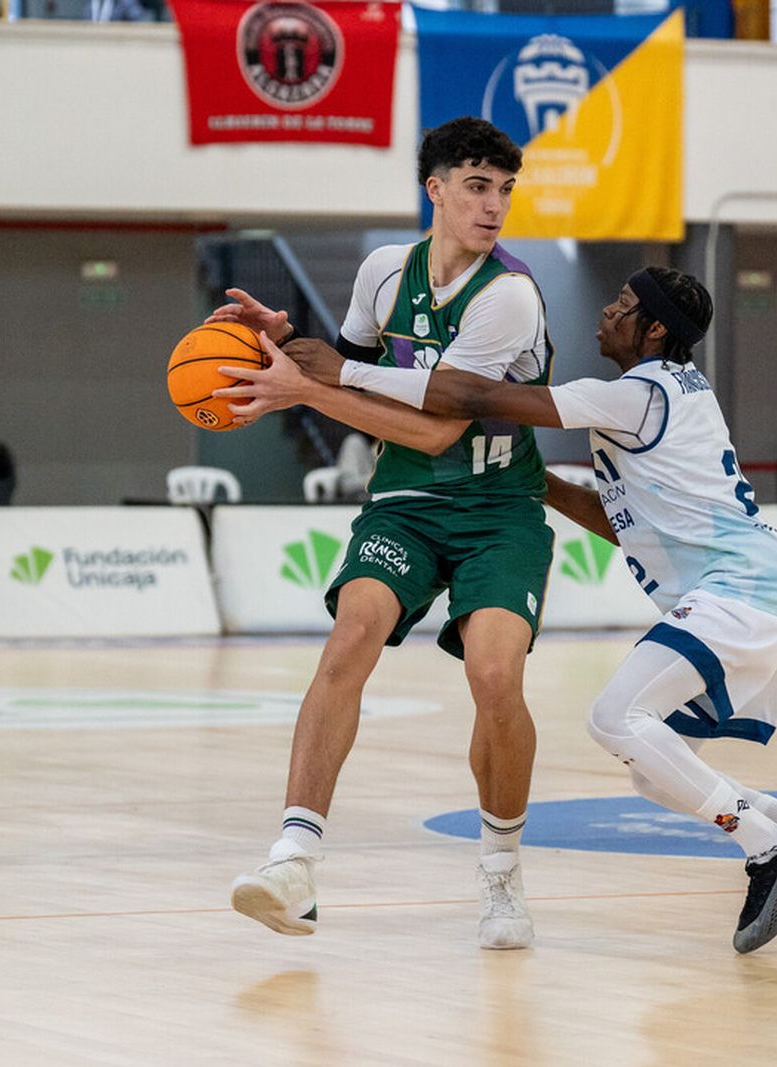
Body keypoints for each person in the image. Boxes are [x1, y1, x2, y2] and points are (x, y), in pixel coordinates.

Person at [274, 266, 777, 953]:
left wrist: (344, 373)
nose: (605, 311)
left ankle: (767, 846)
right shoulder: (679, 389)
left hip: (741, 587)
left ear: (654, 330)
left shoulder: (632, 393)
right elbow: (620, 521)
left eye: (623, 306)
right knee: (654, 773)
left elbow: (474, 393)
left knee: (613, 717)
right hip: (767, 586)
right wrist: (539, 485)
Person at [212, 117, 556, 950]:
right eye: (477, 186)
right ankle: (294, 859)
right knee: (351, 634)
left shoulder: (509, 294)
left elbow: (436, 421)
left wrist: (312, 382)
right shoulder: (381, 272)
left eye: (505, 189)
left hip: (497, 506)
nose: (494, 205)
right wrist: (288, 344)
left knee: (494, 675)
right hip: (405, 499)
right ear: (433, 189)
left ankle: (502, 870)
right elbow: (347, 373)